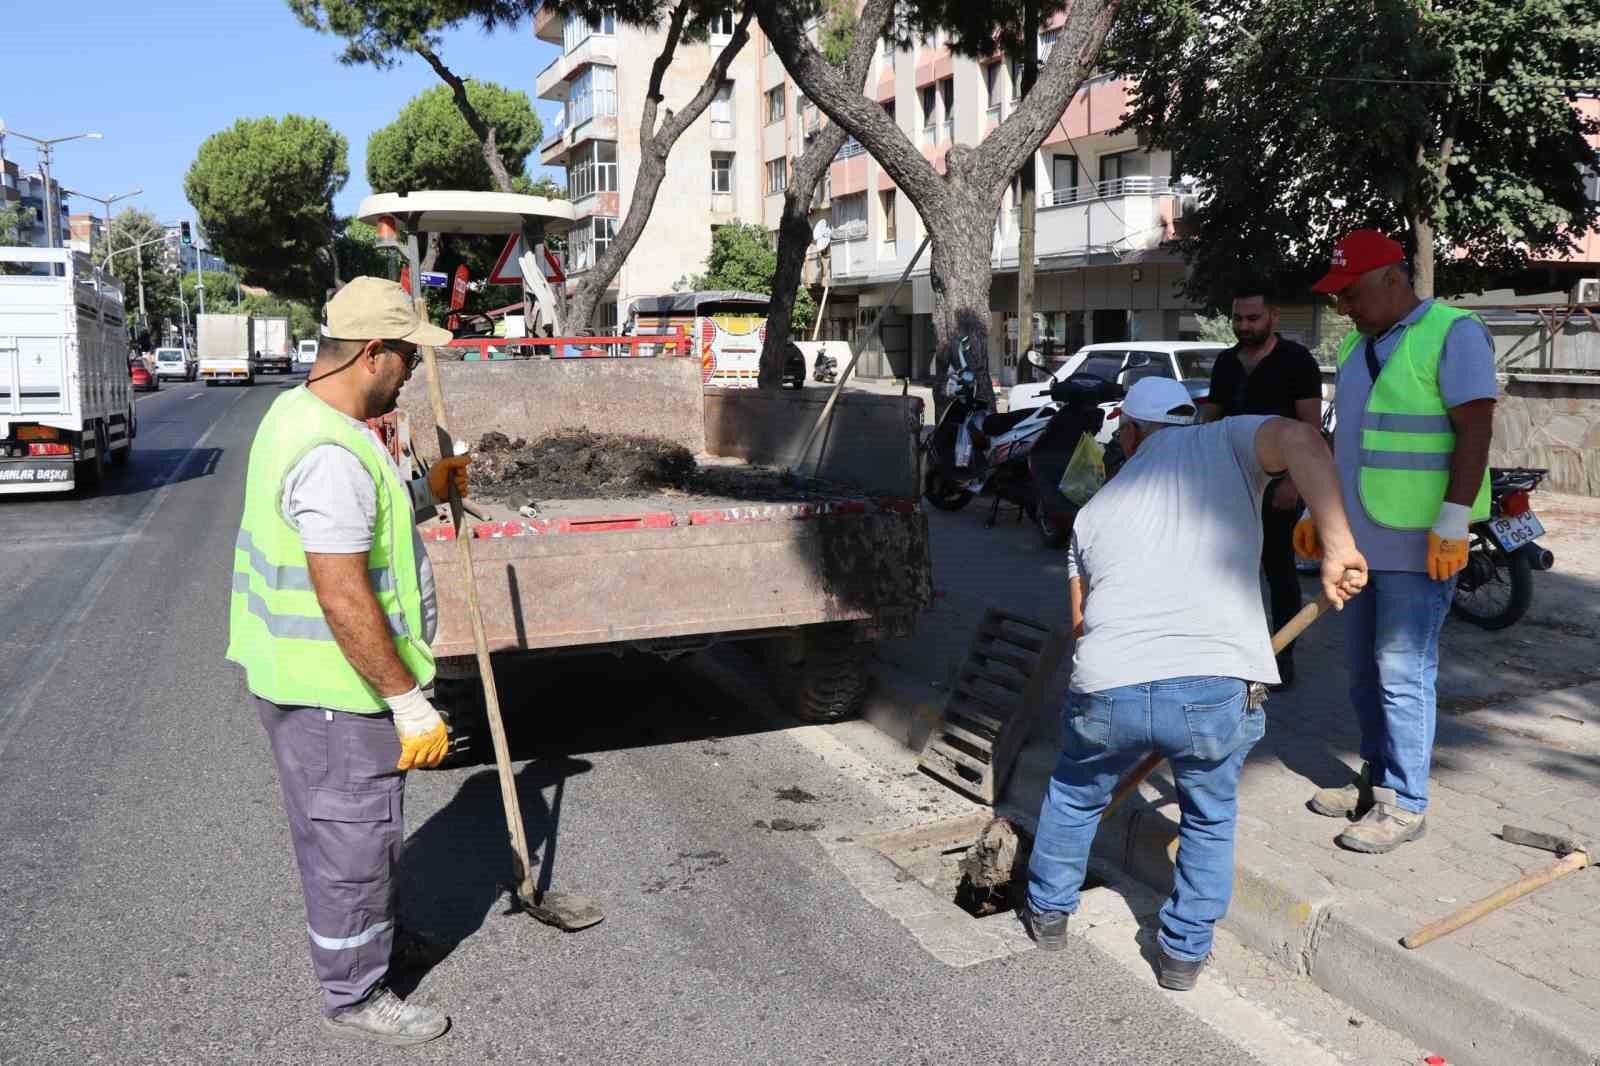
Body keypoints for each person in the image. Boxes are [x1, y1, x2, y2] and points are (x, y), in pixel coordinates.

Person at [1024, 376, 1367, 990]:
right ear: (1189, 420)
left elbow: (1080, 624)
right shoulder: (1229, 443)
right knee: (1208, 816)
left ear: (1128, 433)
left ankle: (1048, 914)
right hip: (1216, 687)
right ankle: (1182, 955)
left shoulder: (1093, 511)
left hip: (1109, 685)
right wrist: (1338, 544)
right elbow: (1302, 439)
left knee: (1076, 795)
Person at [226, 277, 471, 1046]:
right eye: (404, 360)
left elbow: (370, 522)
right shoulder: (332, 453)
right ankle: (355, 992)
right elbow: (344, 598)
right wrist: (406, 699)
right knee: (353, 847)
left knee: (356, 834)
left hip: (306, 686)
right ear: (373, 354)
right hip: (337, 691)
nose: (408, 376)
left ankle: (374, 942)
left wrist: (427, 491)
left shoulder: (303, 414)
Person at [1295, 230, 1496, 854]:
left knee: (1402, 672)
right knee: (1363, 673)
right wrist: (1315, 506)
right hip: (1358, 543)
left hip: (1421, 544)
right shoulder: (1358, 345)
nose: (1344, 308)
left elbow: (1476, 430)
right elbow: (1345, 441)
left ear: (1391, 277)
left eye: (1350, 293)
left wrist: (1455, 516)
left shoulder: (1454, 332)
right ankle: (1375, 781)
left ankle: (1406, 804)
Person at [1199, 284, 1325, 689]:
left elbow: (1311, 428)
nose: (1244, 326)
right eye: (1237, 318)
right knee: (1228, 570)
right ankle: (1231, 653)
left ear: (1272, 317)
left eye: (1252, 318)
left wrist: (1294, 482)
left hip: (1277, 486)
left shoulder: (1296, 360)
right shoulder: (1225, 362)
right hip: (1230, 484)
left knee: (1278, 571)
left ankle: (1281, 658)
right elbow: (1210, 422)